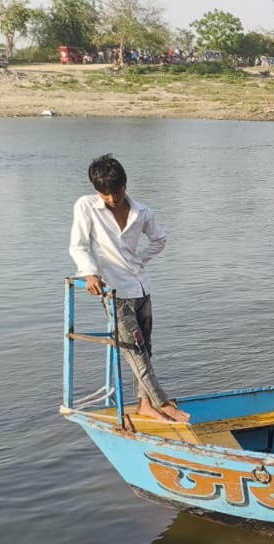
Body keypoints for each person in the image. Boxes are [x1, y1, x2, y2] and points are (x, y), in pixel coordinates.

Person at [68, 154, 189, 423]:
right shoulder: (86, 206)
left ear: (125, 185)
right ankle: (163, 402)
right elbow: (78, 245)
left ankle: (144, 404)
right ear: (97, 191)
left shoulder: (142, 212)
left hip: (141, 287)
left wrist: (138, 260)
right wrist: (89, 274)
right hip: (115, 292)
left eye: (116, 192)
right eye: (105, 194)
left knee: (146, 349)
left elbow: (159, 240)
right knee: (133, 350)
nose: (111, 199)